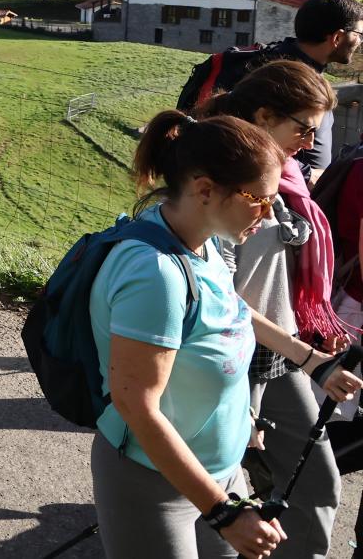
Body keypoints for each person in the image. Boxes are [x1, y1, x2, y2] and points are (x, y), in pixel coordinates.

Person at [89, 110, 363, 559]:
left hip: (221, 476)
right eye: (260, 198)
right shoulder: (154, 274)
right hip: (155, 483)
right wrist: (223, 514)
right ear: (204, 190)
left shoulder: (204, 243)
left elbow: (233, 311)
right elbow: (137, 406)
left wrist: (314, 362)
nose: (270, 212)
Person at [196, 60, 347, 557]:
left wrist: (310, 349)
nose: (309, 142)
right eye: (302, 128)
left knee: (318, 484)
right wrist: (306, 360)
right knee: (222, 502)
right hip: (230, 362)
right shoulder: (220, 179)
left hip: (280, 356)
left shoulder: (281, 176)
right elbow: (221, 298)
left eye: (315, 130)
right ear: (263, 115)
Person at [179, 0, 363, 181]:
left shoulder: (264, 62)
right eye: (359, 35)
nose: (360, 42)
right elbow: (234, 141)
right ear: (338, 38)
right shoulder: (283, 80)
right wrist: (305, 174)